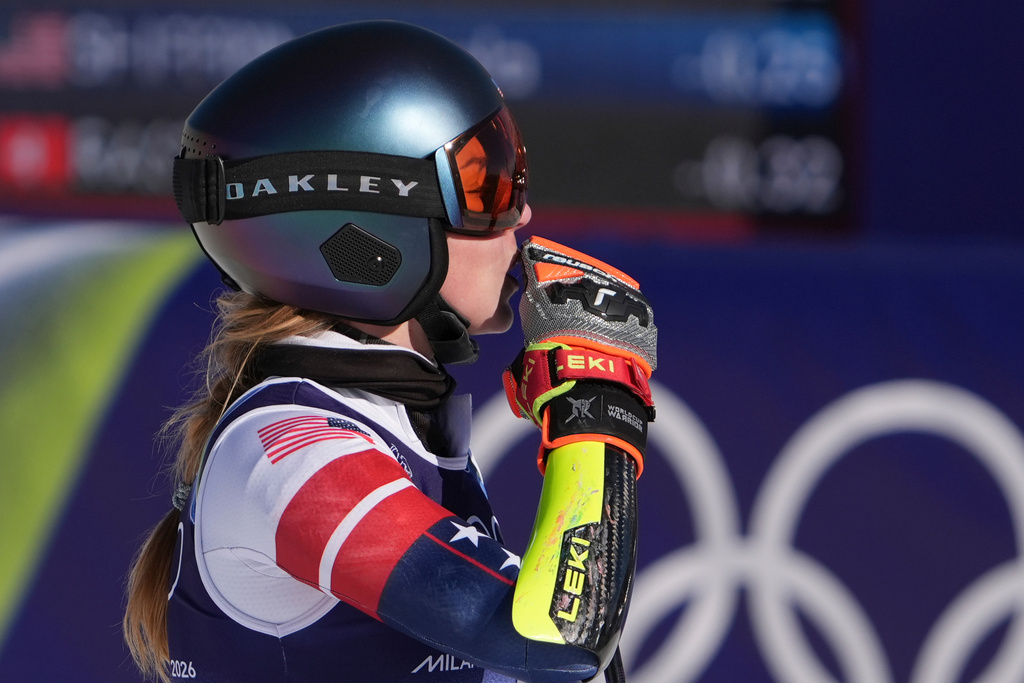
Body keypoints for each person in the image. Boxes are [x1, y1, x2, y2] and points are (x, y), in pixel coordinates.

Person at [123, 20, 657, 683]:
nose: (521, 217)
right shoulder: (291, 451)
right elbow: (558, 636)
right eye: (488, 184)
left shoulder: (389, 422)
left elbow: (569, 666)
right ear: (371, 224)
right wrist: (595, 401)